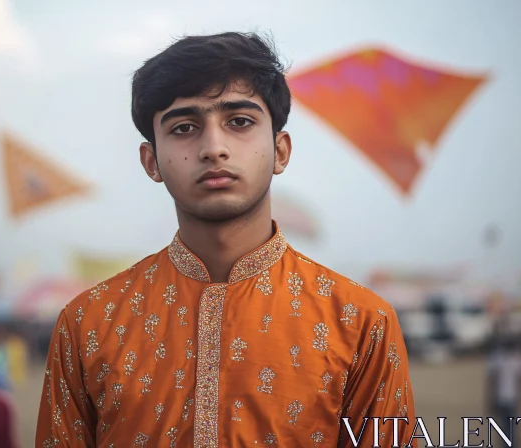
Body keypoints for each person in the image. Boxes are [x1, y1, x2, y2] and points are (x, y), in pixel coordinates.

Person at [35, 32, 416, 448]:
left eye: (239, 122)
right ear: (151, 161)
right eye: (184, 127)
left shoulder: (360, 324)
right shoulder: (88, 324)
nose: (213, 148)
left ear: (280, 151)